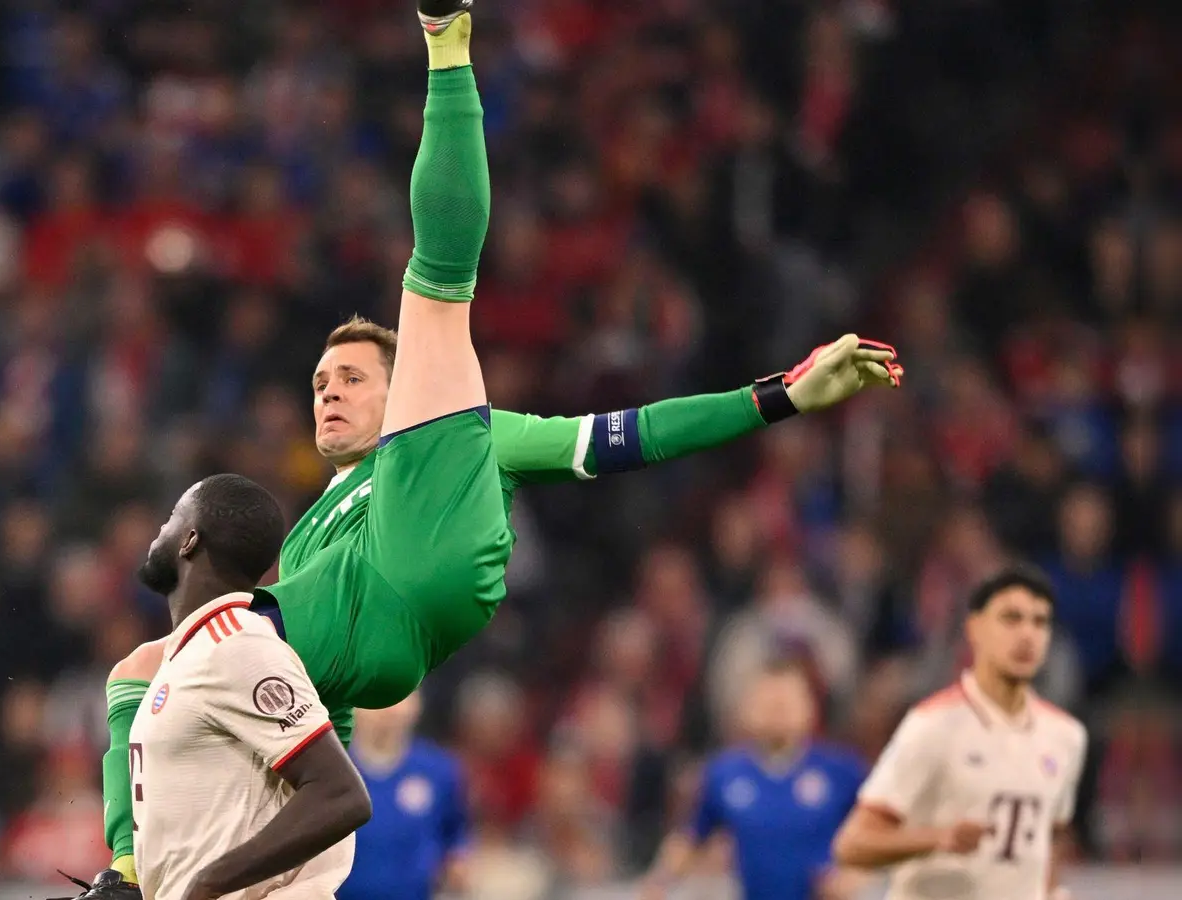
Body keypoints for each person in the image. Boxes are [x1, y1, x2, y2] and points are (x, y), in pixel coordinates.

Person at [91, 1, 905, 891]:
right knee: (137, 672)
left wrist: (779, 396)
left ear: (404, 392)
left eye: (353, 377)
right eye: (320, 382)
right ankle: (127, 872)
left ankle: (447, 38)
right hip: (378, 643)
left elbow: (637, 436)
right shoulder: (309, 531)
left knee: (437, 289)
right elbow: (317, 691)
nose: (329, 390)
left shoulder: (470, 436)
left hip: (428, 550)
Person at [61, 474, 370, 900]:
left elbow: (341, 794)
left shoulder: (237, 643)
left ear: (189, 540)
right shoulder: (193, 654)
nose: (159, 530)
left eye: (171, 518)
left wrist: (207, 885)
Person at [832, 565, 1088, 900]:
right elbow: (851, 846)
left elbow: (1048, 836)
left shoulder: (1066, 735)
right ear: (975, 629)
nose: (1027, 634)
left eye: (1040, 622)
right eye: (1011, 619)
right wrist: (937, 839)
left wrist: (1050, 891)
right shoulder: (933, 725)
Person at [639, 659, 868, 900]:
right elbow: (691, 836)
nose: (777, 711)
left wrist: (855, 876)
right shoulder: (724, 774)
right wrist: (658, 882)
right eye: (768, 703)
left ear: (809, 708)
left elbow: (881, 829)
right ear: (746, 709)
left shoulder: (841, 771)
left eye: (786, 703)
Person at [337, 693, 469, 900]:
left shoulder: (439, 769)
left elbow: (456, 830)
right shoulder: (331, 770)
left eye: (403, 696)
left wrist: (457, 862)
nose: (390, 710)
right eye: (378, 695)